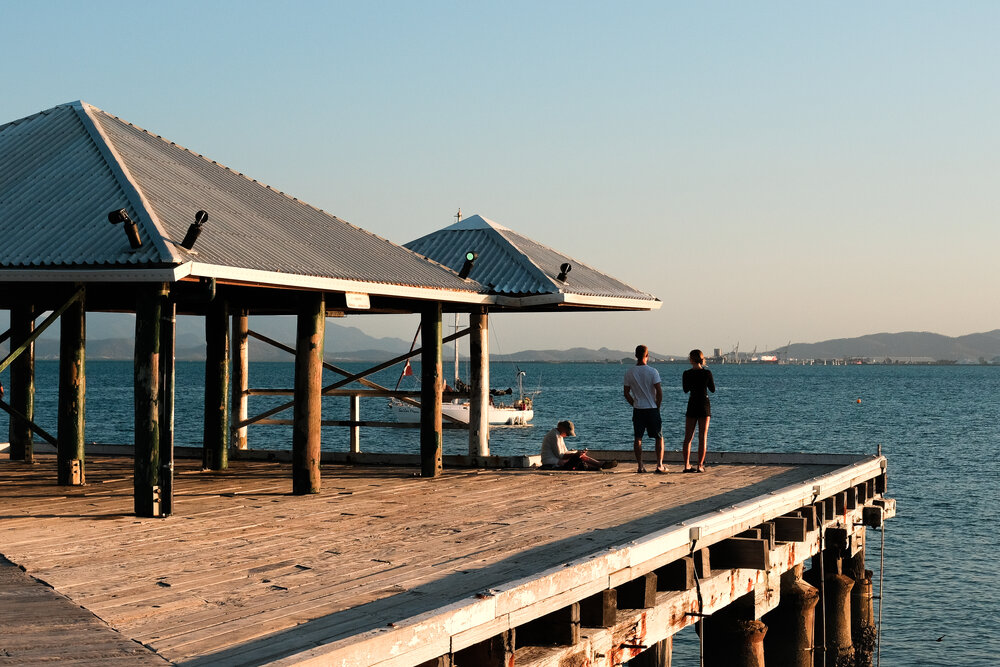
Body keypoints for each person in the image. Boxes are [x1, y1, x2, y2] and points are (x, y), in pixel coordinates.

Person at [623, 344, 665, 473]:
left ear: (635, 355)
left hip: (638, 409)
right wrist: (657, 406)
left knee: (638, 438)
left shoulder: (630, 372)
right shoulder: (653, 371)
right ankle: (659, 464)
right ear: (647, 355)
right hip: (651, 408)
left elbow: (626, 393)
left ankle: (640, 465)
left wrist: (634, 403)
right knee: (658, 437)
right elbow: (659, 392)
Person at [681, 349, 716, 473]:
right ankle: (700, 465)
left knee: (688, 437)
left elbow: (686, 389)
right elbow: (712, 389)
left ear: (691, 359)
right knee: (703, 437)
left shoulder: (686, 373)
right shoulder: (707, 373)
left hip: (692, 403)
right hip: (704, 404)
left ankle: (686, 465)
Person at [540, 420, 617, 470]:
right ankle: (599, 465)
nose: (567, 436)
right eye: (567, 434)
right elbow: (560, 456)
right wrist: (575, 454)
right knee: (578, 458)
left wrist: (576, 453)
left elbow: (564, 452)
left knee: (580, 456)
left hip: (558, 460)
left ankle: (600, 464)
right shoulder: (554, 435)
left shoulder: (558, 435)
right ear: (562, 429)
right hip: (552, 462)